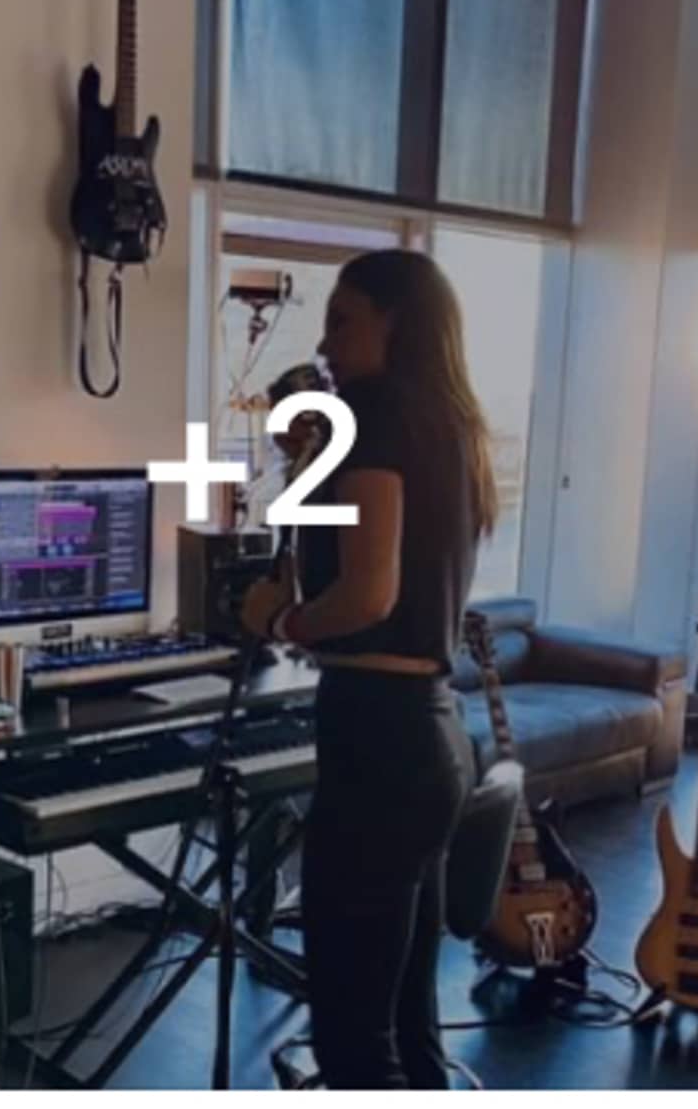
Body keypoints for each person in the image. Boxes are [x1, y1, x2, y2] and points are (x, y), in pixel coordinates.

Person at [232, 249, 496, 1091]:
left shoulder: (375, 412)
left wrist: (280, 621)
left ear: (397, 322)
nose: (326, 342)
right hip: (432, 732)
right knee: (409, 1025)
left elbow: (369, 593)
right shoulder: (450, 425)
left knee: (352, 1037)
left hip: (378, 738)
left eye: (343, 321)